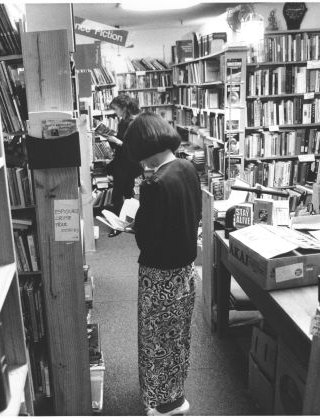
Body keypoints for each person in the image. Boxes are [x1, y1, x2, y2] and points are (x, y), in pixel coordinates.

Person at [124, 113, 202, 416]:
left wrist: (133, 224)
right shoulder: (187, 167)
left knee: (155, 338)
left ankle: (161, 402)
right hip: (185, 269)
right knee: (178, 335)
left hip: (159, 273)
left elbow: (147, 239)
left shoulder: (154, 183)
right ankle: (174, 392)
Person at [105, 94, 144, 237]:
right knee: (127, 192)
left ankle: (120, 224)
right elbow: (122, 142)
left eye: (116, 109)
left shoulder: (134, 123)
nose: (115, 112)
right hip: (122, 161)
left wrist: (118, 142)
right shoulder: (123, 121)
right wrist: (112, 138)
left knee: (119, 193)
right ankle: (129, 221)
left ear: (124, 108)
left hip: (129, 162)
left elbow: (134, 147)